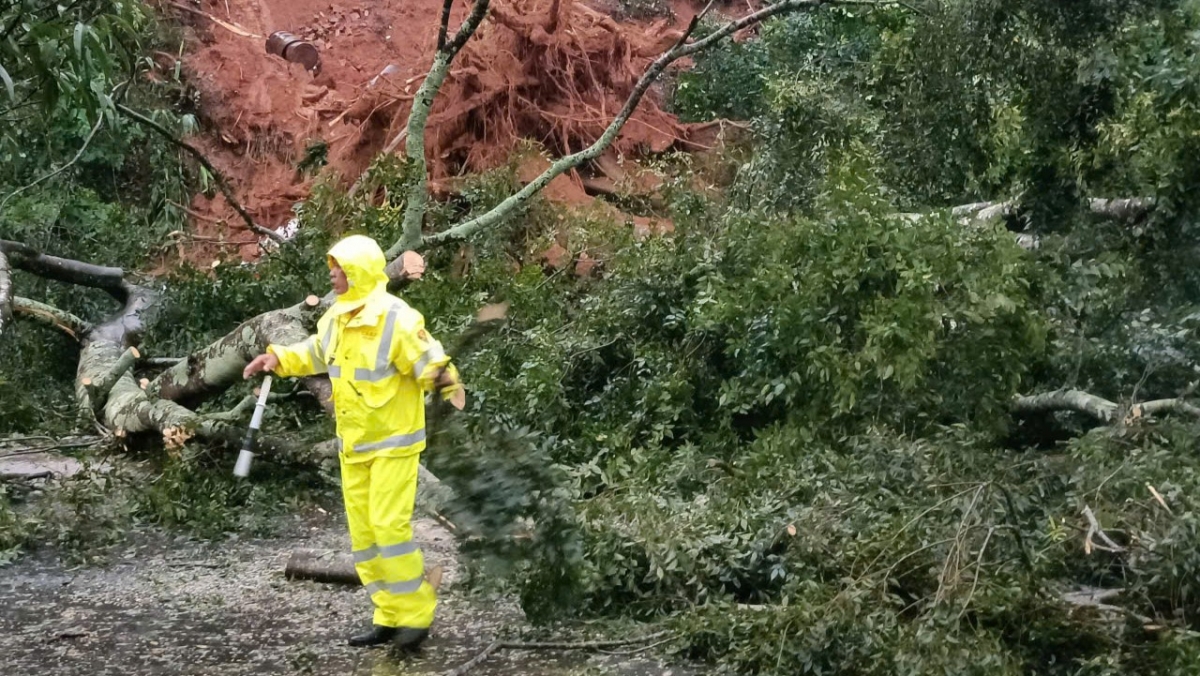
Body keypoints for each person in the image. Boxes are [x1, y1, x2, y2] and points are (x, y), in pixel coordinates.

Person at [243, 234, 460, 651]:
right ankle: (387, 616)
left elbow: (429, 358)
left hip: (394, 445)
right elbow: (316, 353)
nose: (332, 273)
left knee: (389, 530)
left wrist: (447, 382)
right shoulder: (337, 317)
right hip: (355, 445)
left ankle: (415, 618)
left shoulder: (396, 318)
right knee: (364, 537)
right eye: (332, 266)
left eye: (339, 267)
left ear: (357, 271)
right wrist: (280, 358)